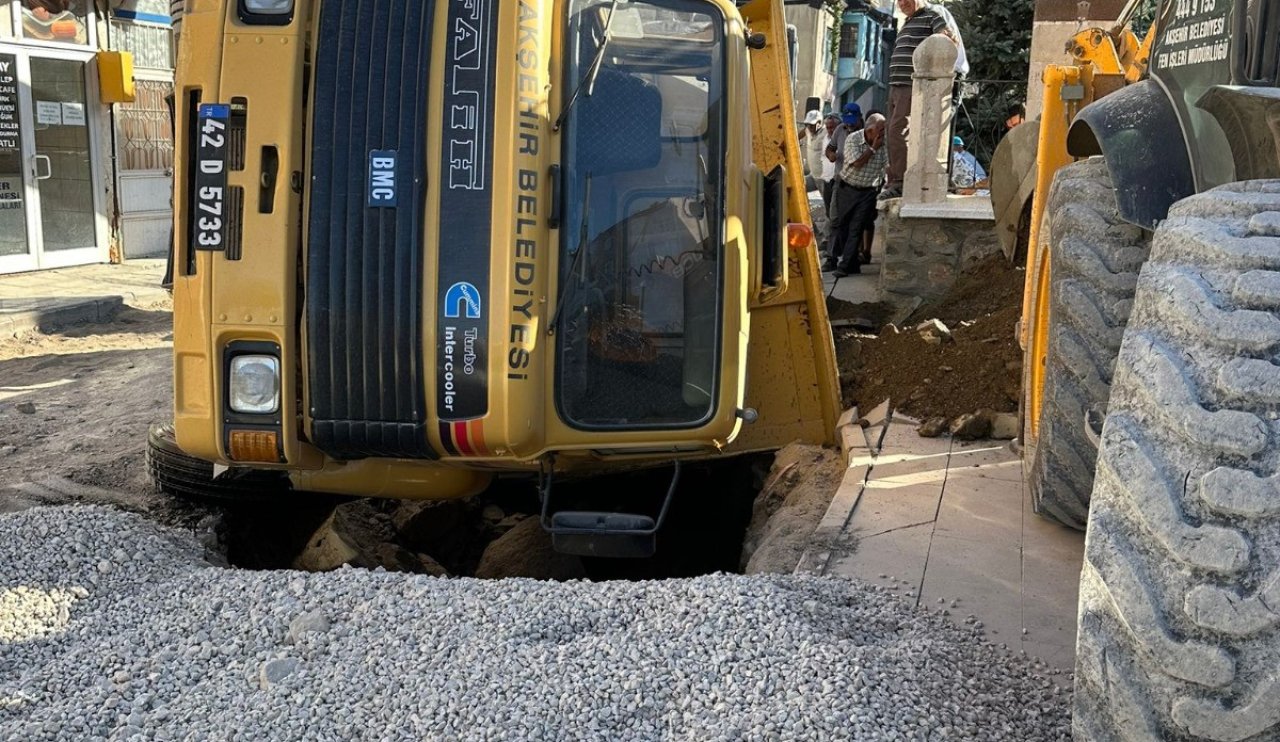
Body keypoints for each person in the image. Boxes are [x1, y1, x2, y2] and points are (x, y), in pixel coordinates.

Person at [883, 0, 954, 200]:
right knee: (892, 131)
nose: (903, 3)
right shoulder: (907, 22)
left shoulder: (931, 16)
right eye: (900, 0)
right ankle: (895, 178)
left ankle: (900, 182)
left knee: (898, 130)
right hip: (896, 85)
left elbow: (947, 39)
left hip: (910, 84)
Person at [824, 114, 888, 277]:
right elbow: (857, 163)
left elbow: (887, 165)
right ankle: (847, 262)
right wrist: (873, 148)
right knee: (841, 225)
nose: (883, 133)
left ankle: (844, 266)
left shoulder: (884, 144)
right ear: (870, 130)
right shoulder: (853, 139)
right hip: (847, 188)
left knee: (856, 228)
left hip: (867, 191)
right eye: (880, 130)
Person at [800, 110, 825, 192]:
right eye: (807, 125)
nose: (809, 128)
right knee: (799, 187)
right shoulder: (809, 131)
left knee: (829, 203)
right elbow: (803, 132)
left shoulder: (825, 133)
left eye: (812, 125)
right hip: (813, 176)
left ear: (819, 123)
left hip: (824, 179)